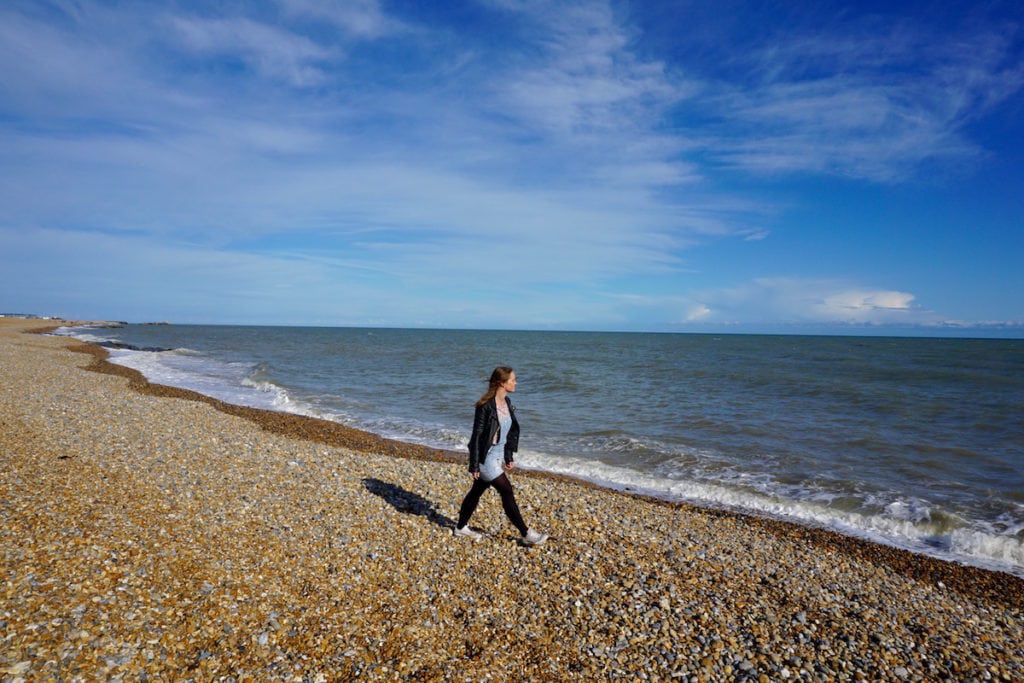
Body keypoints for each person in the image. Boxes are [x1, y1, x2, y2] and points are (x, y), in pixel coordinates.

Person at [454, 366, 548, 546]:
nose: (516, 383)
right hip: (486, 457)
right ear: (502, 383)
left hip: (498, 454)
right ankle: (526, 533)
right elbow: (475, 437)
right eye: (512, 380)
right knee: (507, 490)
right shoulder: (485, 407)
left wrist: (508, 456)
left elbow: (508, 433)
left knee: (476, 491)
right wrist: (474, 465)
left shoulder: (507, 402)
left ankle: (460, 527)